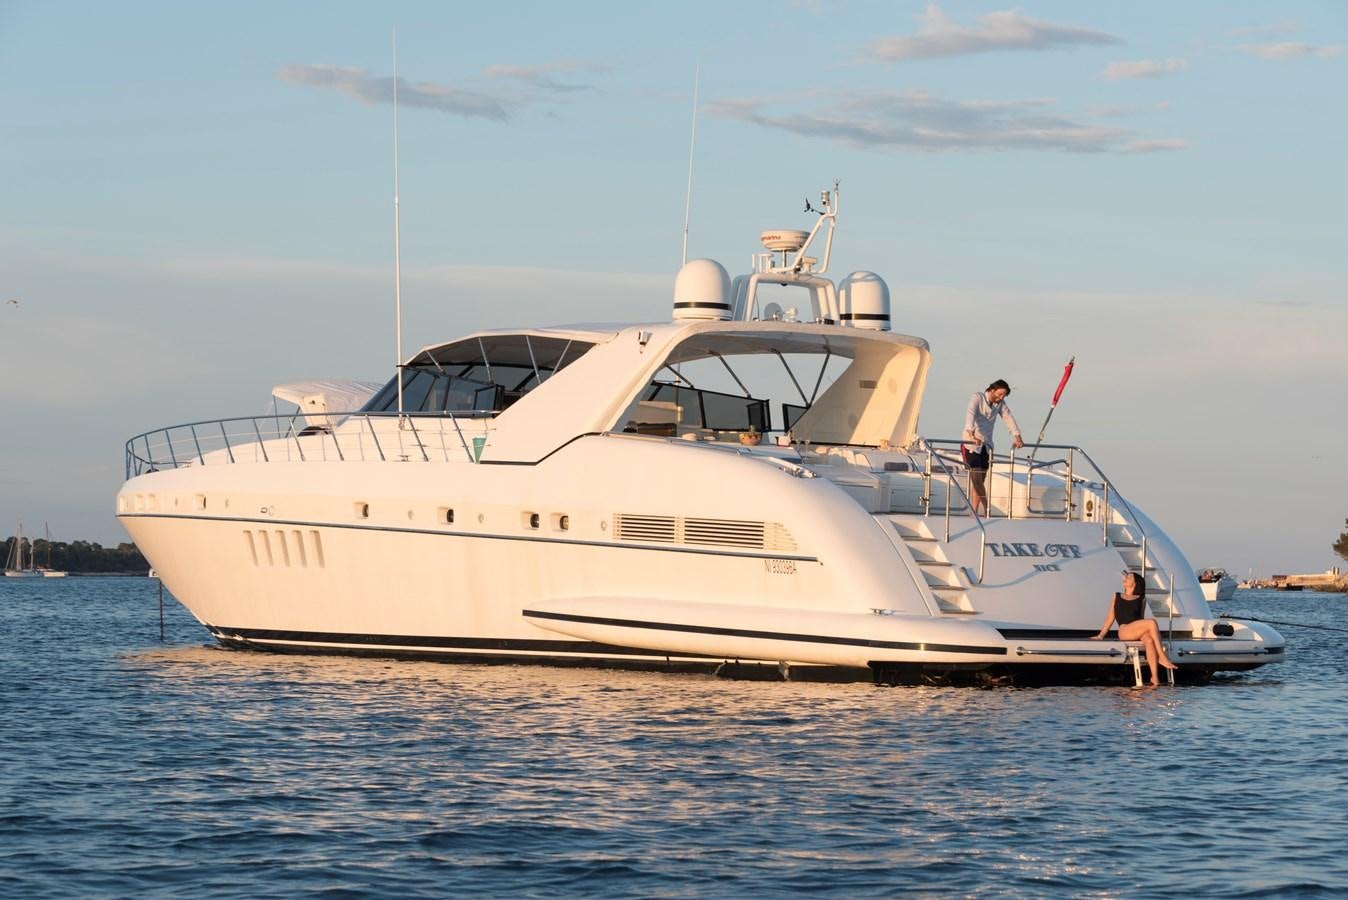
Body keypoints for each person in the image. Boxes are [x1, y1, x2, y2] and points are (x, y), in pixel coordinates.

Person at [1090, 572, 1179, 686]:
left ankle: (1155, 678)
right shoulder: (1117, 596)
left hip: (1137, 630)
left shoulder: (1141, 599)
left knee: (1149, 640)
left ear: (1135, 583)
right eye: (1126, 577)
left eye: (1129, 577)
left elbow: (1140, 618)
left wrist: (1145, 633)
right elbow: (1110, 617)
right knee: (1152, 622)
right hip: (1124, 630)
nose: (1126, 578)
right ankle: (1162, 656)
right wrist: (1101, 635)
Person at [962, 379, 1024, 516]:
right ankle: (987, 508)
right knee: (976, 479)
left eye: (1003, 396)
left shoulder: (1000, 404)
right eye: (999, 394)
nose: (1000, 398)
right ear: (992, 389)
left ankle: (974, 511)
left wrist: (1017, 437)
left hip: (986, 445)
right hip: (971, 444)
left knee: (980, 481)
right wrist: (972, 434)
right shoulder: (977, 397)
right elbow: (970, 414)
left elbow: (1008, 418)